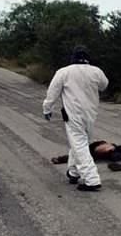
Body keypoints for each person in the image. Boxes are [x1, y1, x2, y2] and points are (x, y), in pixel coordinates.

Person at [42, 46, 109, 191]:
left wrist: (47, 109)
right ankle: (73, 172)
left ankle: (92, 179)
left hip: (73, 114)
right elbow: (104, 86)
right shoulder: (96, 71)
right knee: (81, 142)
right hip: (91, 113)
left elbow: (52, 92)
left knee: (79, 144)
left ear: (72, 58)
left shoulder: (64, 72)